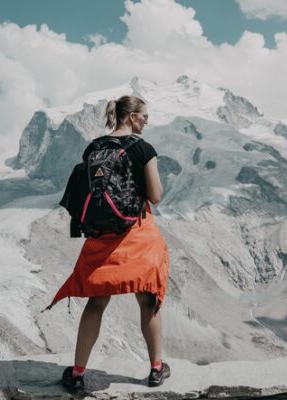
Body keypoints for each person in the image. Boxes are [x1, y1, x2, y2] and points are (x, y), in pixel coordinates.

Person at [43, 95, 170, 391]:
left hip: (101, 238)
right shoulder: (143, 149)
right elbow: (155, 196)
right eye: (144, 115)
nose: (147, 120)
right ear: (131, 116)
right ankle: (155, 369)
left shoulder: (94, 147)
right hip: (136, 234)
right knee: (148, 298)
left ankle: (76, 373)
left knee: (96, 301)